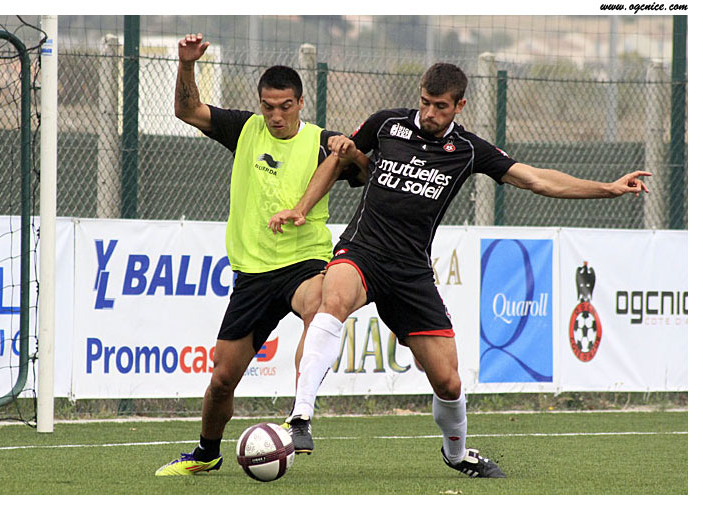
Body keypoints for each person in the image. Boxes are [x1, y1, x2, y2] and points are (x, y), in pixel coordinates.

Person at [269, 62, 650, 478]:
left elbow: (536, 179)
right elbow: (338, 160)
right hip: (363, 251)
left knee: (448, 382)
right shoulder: (386, 125)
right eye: (425, 103)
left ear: (459, 106)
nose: (430, 113)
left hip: (411, 272)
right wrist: (301, 208)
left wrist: (608, 189)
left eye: (441, 106)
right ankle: (301, 416)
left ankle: (456, 454)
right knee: (334, 300)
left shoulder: (468, 150)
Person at [155, 33, 365, 476]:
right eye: (268, 106)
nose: (276, 115)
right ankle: (206, 453)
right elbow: (187, 111)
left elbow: (365, 170)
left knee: (320, 307)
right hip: (252, 274)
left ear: (301, 103)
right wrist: (187, 64)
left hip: (304, 262)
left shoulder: (322, 142)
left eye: (285, 106)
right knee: (221, 379)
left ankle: (300, 413)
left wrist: (351, 153)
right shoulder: (245, 129)